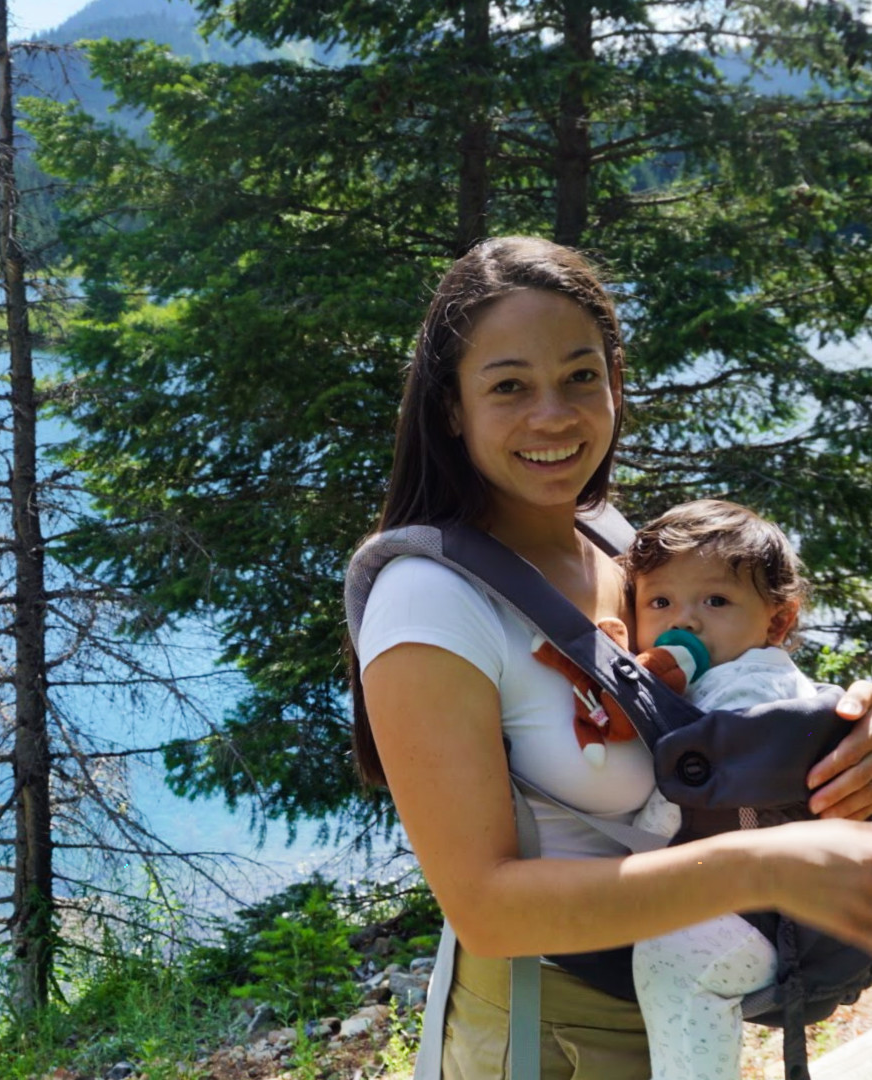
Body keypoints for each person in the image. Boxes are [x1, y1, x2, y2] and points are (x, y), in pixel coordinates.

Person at [348, 236, 872, 1078]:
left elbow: (727, 707)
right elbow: (484, 909)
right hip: (549, 1035)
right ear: (452, 407)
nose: (553, 416)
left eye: (581, 376)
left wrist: (846, 731)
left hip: (683, 1009)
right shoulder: (430, 602)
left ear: (615, 381)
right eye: (509, 385)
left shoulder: (618, 548)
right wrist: (767, 864)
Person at [623, 499, 818, 1080]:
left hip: (754, 919)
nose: (686, 621)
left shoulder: (744, 687)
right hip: (768, 912)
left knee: (672, 965)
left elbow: (687, 786)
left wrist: (638, 852)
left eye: (716, 601)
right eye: (660, 602)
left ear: (777, 622)